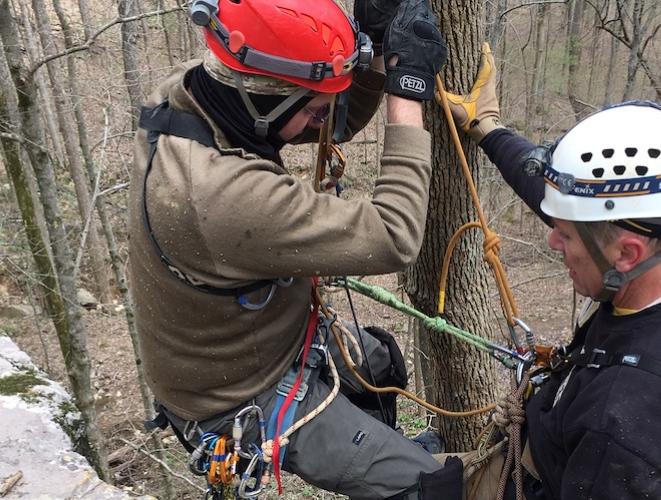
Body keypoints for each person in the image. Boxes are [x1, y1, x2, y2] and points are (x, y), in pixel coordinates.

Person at [126, 0, 463, 498]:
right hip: (239, 393)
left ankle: (374, 449)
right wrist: (406, 90)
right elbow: (396, 236)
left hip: (264, 339)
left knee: (379, 362)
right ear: (263, 101)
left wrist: (366, 53)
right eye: (313, 107)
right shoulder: (221, 197)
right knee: (432, 488)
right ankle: (394, 475)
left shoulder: (199, 92)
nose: (321, 120)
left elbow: (321, 122)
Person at [439, 44, 661, 499]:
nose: (551, 240)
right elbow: (562, 196)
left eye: (563, 236)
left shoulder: (627, 424)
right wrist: (488, 129)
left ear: (627, 254)